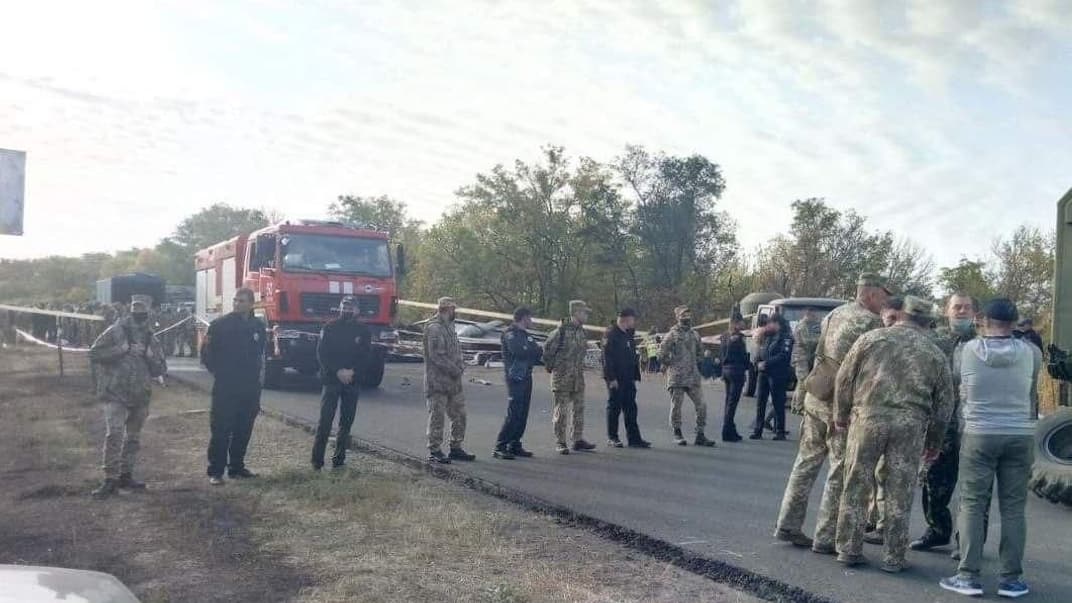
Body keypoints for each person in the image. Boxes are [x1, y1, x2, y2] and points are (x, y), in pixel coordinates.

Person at [833, 296, 954, 572]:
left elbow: (844, 377)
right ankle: (894, 557)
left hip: (868, 418)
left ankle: (849, 549)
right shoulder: (934, 353)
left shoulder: (871, 339)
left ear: (901, 315)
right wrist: (934, 441)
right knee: (900, 490)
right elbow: (945, 403)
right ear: (927, 323)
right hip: (909, 426)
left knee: (856, 482)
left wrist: (840, 415)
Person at [773, 273, 888, 550]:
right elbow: (864, 373)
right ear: (871, 294)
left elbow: (819, 354)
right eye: (884, 295)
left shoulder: (835, 314)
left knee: (806, 462)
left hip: (817, 396)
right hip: (841, 407)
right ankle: (825, 537)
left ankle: (787, 524)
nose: (886, 302)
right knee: (838, 470)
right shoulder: (870, 323)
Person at [940, 298, 1041, 598]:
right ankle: (1012, 579)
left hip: (979, 432)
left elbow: (957, 380)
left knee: (972, 502)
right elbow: (1031, 386)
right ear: (1014, 321)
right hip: (1020, 433)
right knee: (1013, 507)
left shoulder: (968, 351)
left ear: (983, 320)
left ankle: (968, 576)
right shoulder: (1032, 353)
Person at [911, 293, 980, 553]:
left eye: (966, 307)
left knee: (974, 486)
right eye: (956, 307)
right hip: (942, 424)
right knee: (934, 479)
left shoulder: (983, 342)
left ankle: (969, 541)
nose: (961, 311)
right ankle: (937, 530)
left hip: (974, 424)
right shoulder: (933, 340)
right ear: (946, 311)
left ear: (974, 312)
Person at [89, 295, 167, 497]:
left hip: (140, 394)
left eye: (142, 307)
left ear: (149, 310)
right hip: (115, 392)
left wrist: (150, 357)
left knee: (133, 438)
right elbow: (94, 353)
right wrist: (120, 350)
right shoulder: (116, 330)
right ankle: (110, 479)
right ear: (130, 308)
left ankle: (126, 475)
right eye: (135, 306)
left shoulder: (151, 337)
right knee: (114, 434)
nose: (138, 310)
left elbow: (160, 369)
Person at [201, 288, 267, 485]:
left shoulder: (258, 326)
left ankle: (237, 467)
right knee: (221, 429)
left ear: (251, 304)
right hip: (226, 386)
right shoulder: (219, 325)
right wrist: (220, 373)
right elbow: (206, 354)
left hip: (249, 387)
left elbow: (260, 354)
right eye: (235, 300)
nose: (237, 303)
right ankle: (216, 471)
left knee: (243, 428)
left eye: (242, 301)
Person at [311, 296, 371, 470]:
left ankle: (339, 460)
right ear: (339, 308)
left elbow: (366, 356)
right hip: (332, 380)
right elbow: (322, 354)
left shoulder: (364, 331)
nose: (348, 310)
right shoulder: (329, 328)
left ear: (357, 310)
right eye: (345, 306)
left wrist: (353, 372)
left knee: (346, 423)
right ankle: (317, 461)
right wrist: (338, 371)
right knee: (325, 421)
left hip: (352, 381)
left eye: (351, 307)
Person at [423, 297, 474, 463]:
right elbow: (436, 356)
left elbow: (455, 351)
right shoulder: (434, 328)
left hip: (453, 383)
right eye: (453, 309)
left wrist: (461, 364)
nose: (455, 312)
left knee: (460, 415)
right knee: (437, 417)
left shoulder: (449, 327)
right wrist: (454, 369)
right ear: (447, 309)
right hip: (438, 383)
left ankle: (456, 447)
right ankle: (435, 450)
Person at [543, 300, 596, 454]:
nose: (586, 315)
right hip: (562, 377)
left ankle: (577, 439)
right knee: (562, 412)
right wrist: (553, 368)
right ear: (577, 313)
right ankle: (561, 442)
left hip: (577, 377)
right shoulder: (561, 331)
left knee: (579, 409)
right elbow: (547, 351)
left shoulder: (581, 331)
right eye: (584, 312)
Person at [659, 305, 716, 447]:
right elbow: (661, 354)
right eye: (684, 315)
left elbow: (700, 354)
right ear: (678, 317)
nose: (687, 318)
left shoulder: (695, 334)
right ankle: (677, 433)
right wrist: (671, 363)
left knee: (702, 405)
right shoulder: (672, 334)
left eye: (688, 315)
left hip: (692, 376)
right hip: (677, 377)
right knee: (676, 406)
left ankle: (700, 434)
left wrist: (699, 363)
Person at [493, 307, 543, 459]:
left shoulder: (524, 335)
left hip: (526, 375)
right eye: (530, 317)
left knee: (523, 413)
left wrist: (530, 348)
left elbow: (538, 351)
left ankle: (514, 443)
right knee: (514, 413)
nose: (532, 321)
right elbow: (519, 351)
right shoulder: (510, 333)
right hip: (515, 378)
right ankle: (500, 446)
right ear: (524, 318)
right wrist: (530, 348)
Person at [603, 308, 649, 448]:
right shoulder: (611, 334)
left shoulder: (628, 334)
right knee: (614, 407)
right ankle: (613, 436)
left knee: (631, 408)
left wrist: (635, 375)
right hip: (616, 378)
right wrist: (611, 378)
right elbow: (606, 358)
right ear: (626, 319)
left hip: (628, 378)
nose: (634, 322)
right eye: (633, 319)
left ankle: (634, 438)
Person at [753, 314, 793, 441]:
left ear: (777, 324)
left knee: (778, 402)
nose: (767, 326)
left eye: (770, 323)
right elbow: (761, 351)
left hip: (777, 373)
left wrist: (767, 363)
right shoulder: (767, 336)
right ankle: (758, 429)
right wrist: (757, 362)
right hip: (763, 373)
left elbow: (784, 356)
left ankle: (780, 431)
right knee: (760, 402)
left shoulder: (785, 337)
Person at [719, 314, 749, 442]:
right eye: (742, 322)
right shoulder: (739, 337)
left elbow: (721, 354)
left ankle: (731, 429)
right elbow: (743, 356)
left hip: (726, 370)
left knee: (728, 402)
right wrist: (748, 365)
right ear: (736, 323)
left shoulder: (724, 336)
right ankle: (726, 430)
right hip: (736, 371)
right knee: (732, 403)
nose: (744, 324)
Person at [790, 307, 823, 415]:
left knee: (800, 383)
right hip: (800, 358)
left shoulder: (808, 326)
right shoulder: (802, 326)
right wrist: (820, 340)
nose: (815, 317)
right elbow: (806, 341)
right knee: (804, 382)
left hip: (804, 358)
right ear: (808, 314)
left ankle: (795, 405)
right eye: (813, 315)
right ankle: (799, 407)